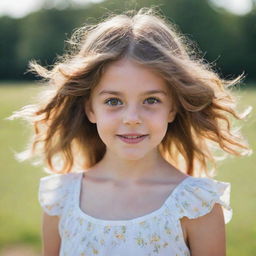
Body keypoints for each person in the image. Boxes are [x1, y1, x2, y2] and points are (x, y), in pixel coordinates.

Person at [9, 7, 251, 256]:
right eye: (114, 101)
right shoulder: (60, 198)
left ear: (173, 108)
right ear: (90, 109)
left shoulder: (197, 205)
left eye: (151, 100)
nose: (132, 119)